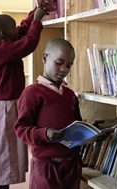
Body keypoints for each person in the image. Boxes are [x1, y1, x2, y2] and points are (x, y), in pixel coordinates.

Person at [0, 3, 47, 189]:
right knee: (2, 158)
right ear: (4, 34)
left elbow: (21, 31)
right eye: (12, 28)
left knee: (7, 156)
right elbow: (28, 44)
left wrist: (33, 15)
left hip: (9, 105)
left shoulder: (4, 42)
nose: (16, 30)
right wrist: (36, 21)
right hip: (4, 109)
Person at [14, 38, 83, 189]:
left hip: (72, 166)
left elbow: (78, 123)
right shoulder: (32, 93)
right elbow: (21, 129)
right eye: (59, 63)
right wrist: (44, 133)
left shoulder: (70, 94)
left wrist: (86, 135)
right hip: (46, 166)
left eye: (69, 65)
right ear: (45, 58)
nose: (64, 69)